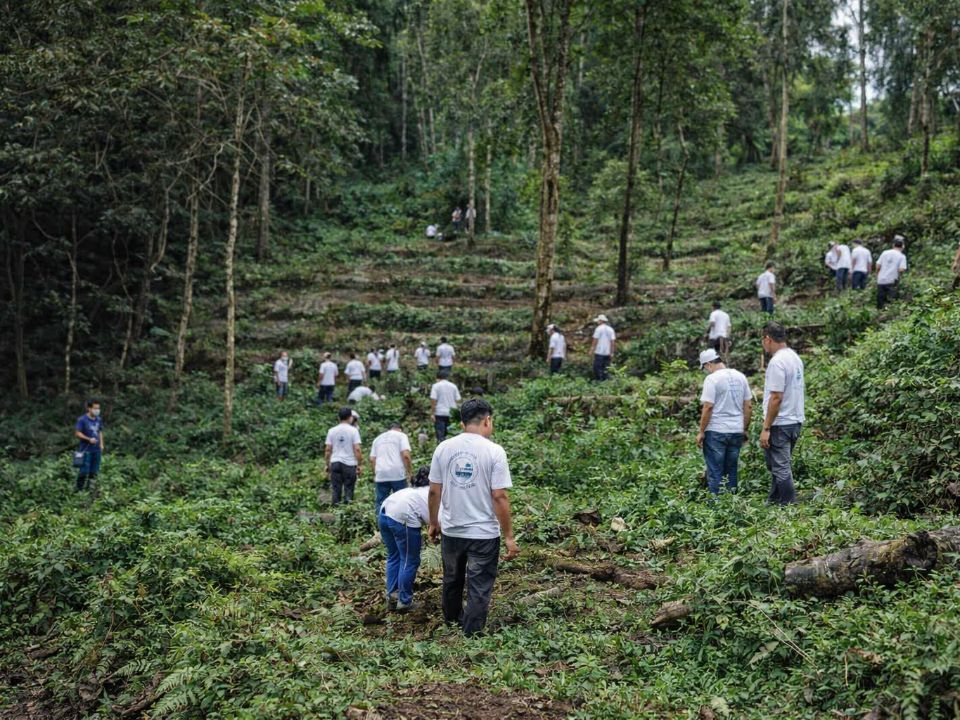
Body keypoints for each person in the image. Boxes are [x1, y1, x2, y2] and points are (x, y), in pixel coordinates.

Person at [428, 398, 519, 636]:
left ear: (462, 423)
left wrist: (434, 522)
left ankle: (451, 623)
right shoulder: (494, 451)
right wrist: (509, 536)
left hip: (452, 530)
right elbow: (499, 496)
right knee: (479, 586)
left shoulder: (443, 448)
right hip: (483, 535)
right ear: (487, 420)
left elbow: (434, 491)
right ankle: (472, 634)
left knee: (452, 578)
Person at [759, 322, 805, 505]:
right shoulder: (794, 357)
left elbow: (776, 397)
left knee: (780, 467)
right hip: (794, 420)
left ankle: (789, 505)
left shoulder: (777, 362)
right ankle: (774, 501)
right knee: (777, 464)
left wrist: (766, 428)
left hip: (780, 422)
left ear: (768, 339)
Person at [696, 350, 752, 496]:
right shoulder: (741, 376)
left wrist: (701, 431)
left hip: (716, 432)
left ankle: (716, 505)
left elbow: (708, 407)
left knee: (715, 471)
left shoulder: (712, 379)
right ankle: (731, 503)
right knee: (731, 470)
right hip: (736, 431)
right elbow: (748, 406)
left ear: (708, 364)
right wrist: (744, 429)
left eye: (705, 368)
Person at [378, 469, 430, 612]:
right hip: (403, 517)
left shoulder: (413, 490)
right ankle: (404, 601)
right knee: (410, 560)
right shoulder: (435, 493)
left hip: (384, 512)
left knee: (394, 556)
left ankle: (392, 596)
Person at [371, 422, 414, 516]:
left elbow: (372, 459)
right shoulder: (401, 436)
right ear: (400, 429)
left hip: (381, 473)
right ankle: (400, 520)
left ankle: (380, 522)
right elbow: (406, 456)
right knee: (401, 500)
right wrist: (410, 473)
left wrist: (375, 474)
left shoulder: (377, 439)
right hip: (397, 473)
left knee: (381, 501)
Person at [325, 407, 363, 505]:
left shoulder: (331, 431)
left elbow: (328, 449)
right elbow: (357, 449)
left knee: (336, 489)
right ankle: (347, 510)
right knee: (349, 489)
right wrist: (359, 464)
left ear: (338, 417)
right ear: (350, 417)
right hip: (349, 464)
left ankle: (335, 509)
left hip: (335, 462)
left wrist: (327, 464)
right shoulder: (354, 431)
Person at [74, 399, 104, 492]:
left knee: (94, 472)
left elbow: (100, 431)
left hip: (96, 450)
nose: (97, 410)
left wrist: (101, 444)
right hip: (86, 450)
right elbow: (77, 433)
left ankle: (91, 491)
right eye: (95, 408)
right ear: (89, 408)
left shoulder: (99, 419)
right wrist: (88, 439)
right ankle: (78, 491)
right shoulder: (82, 420)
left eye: (98, 408)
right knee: (83, 472)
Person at [875, 236, 907, 310]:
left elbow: (878, 265)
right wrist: (899, 276)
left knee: (880, 299)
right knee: (891, 300)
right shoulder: (901, 256)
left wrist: (877, 274)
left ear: (893, 245)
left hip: (881, 279)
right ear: (903, 246)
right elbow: (901, 269)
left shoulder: (885, 253)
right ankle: (889, 313)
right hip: (892, 280)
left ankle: (879, 311)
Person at [430, 373, 461, 442]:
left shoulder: (436, 386)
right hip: (451, 413)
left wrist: (432, 413)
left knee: (440, 436)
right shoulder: (453, 386)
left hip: (440, 413)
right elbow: (458, 400)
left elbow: (433, 399)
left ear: (438, 378)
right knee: (451, 434)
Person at [590, 314, 616, 381]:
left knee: (597, 368)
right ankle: (605, 381)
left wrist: (591, 350)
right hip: (608, 353)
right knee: (606, 368)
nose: (597, 322)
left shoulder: (598, 329)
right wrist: (612, 352)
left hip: (599, 352)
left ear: (601, 321)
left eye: (598, 321)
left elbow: (595, 340)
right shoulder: (611, 329)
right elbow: (612, 342)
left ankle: (599, 381)